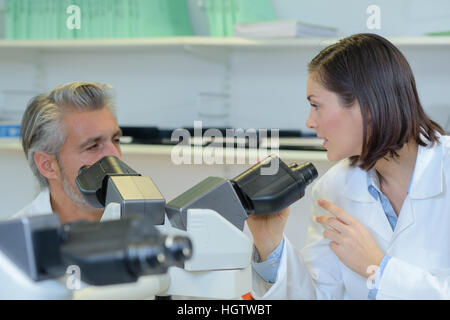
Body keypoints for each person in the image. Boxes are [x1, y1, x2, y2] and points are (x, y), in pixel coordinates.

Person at [248, 33, 450, 299]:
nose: (309, 122)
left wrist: (378, 268)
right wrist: (269, 243)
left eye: (316, 106)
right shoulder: (334, 188)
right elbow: (319, 296)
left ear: (365, 104)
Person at [12, 81, 123, 223]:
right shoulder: (12, 243)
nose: (115, 156)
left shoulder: (154, 226)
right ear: (47, 165)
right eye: (93, 146)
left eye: (116, 140)